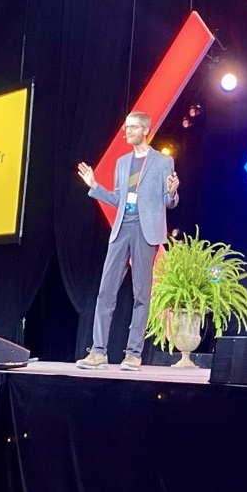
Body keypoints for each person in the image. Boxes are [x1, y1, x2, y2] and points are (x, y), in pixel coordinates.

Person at [75, 111, 180, 371]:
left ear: (145, 130)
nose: (127, 132)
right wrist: (95, 186)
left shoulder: (163, 162)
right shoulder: (122, 163)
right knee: (105, 292)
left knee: (141, 294)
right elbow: (119, 199)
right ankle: (98, 351)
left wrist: (171, 192)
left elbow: (169, 202)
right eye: (126, 128)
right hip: (122, 229)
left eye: (132, 128)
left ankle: (133, 354)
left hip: (146, 231)